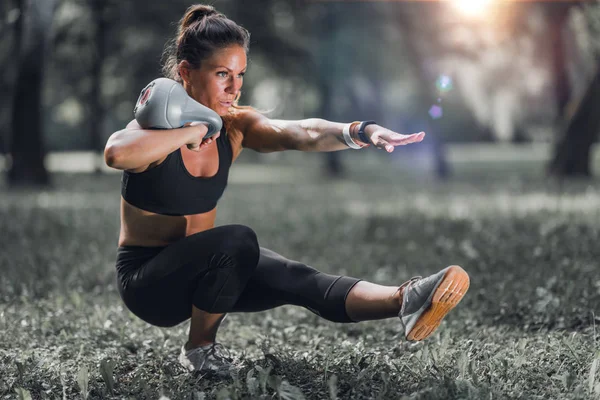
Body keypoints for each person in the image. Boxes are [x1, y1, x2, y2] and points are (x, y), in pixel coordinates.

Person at [104, 4, 470, 377]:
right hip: (149, 286)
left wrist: (361, 131)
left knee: (296, 278)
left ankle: (405, 299)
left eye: (240, 74)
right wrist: (194, 129)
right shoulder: (156, 130)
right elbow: (116, 153)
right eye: (222, 74)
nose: (234, 88)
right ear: (186, 72)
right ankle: (199, 351)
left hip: (208, 276)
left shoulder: (235, 126)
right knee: (237, 242)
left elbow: (301, 132)